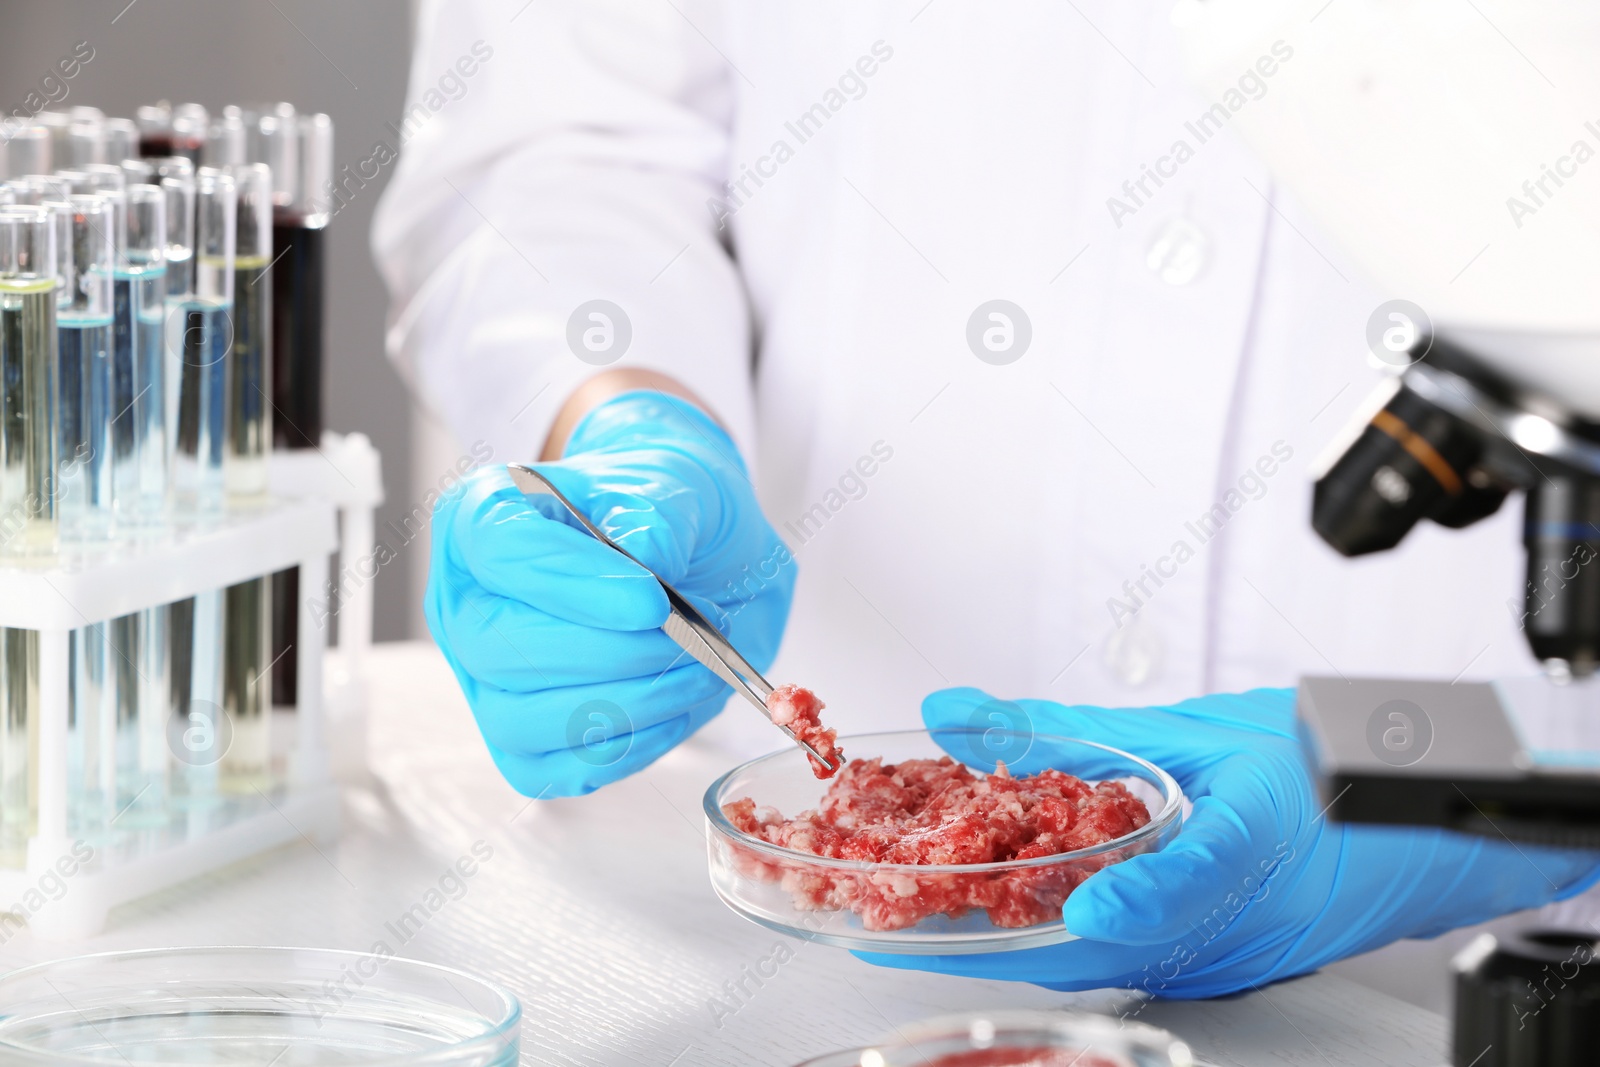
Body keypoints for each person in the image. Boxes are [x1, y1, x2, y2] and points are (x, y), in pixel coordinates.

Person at [372, 0, 1600, 995]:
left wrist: (1515, 777)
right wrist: (623, 410)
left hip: (1487, 970)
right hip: (794, 933)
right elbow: (563, 143)